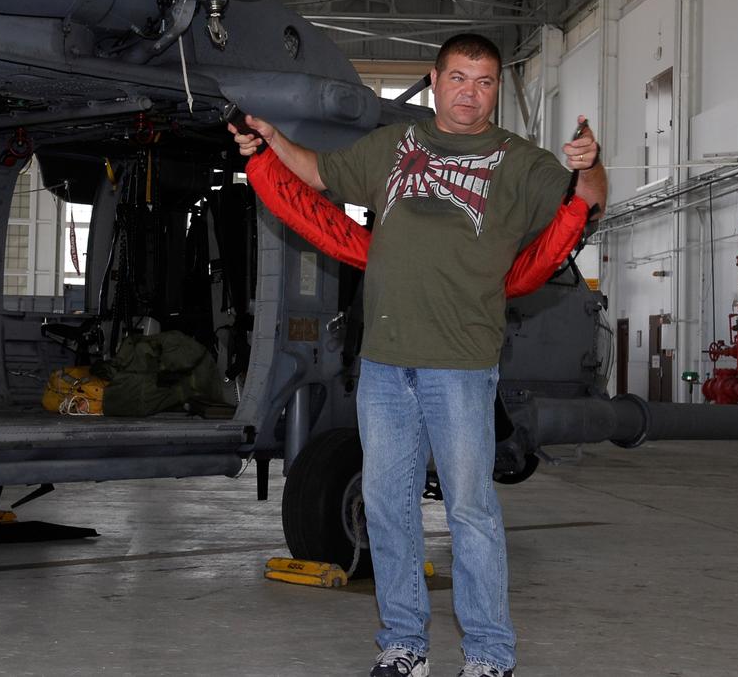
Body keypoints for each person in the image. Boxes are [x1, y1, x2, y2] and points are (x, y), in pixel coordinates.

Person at [230, 34, 606, 677]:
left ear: (494, 89)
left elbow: (588, 198)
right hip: (383, 364)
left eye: (485, 81)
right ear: (435, 81)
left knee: (471, 512)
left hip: (460, 366)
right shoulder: (394, 146)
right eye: (459, 77)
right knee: (387, 508)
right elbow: (320, 174)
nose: (471, 92)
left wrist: (590, 161)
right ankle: (404, 645)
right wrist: (268, 144)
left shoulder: (519, 161)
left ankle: (489, 656)